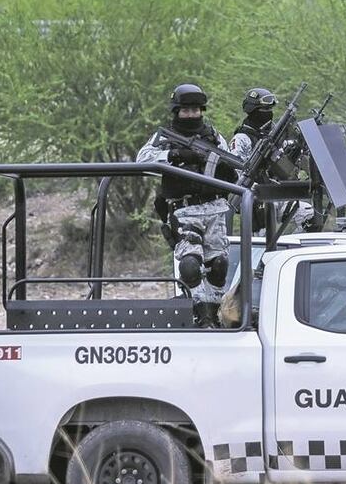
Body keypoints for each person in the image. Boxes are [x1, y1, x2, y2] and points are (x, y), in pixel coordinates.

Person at [136, 83, 237, 327]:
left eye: (195, 110)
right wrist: (175, 155)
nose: (191, 115)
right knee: (190, 265)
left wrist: (225, 170)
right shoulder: (164, 137)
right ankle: (199, 314)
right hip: (183, 210)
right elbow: (142, 160)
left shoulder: (213, 135)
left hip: (215, 208)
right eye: (186, 110)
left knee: (219, 265)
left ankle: (213, 315)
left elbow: (230, 163)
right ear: (177, 111)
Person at [228, 87, 318, 232]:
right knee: (265, 232)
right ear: (253, 111)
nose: (268, 114)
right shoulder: (242, 139)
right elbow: (238, 174)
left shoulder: (275, 133)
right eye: (263, 111)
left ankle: (292, 251)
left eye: (270, 110)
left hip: (278, 192)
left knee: (310, 216)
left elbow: (285, 162)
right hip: (255, 199)